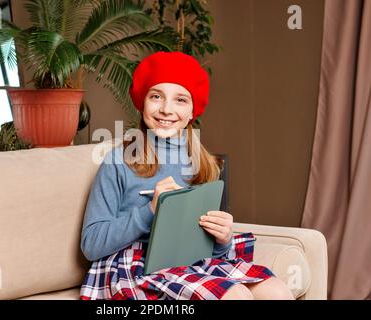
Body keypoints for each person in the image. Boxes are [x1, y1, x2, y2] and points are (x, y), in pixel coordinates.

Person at [80, 51, 294, 300]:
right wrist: (150, 209)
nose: (166, 109)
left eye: (180, 100)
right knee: (234, 295)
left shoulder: (205, 165)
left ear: (193, 111)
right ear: (142, 102)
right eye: (156, 96)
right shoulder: (118, 162)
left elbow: (207, 251)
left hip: (187, 263)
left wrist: (223, 239)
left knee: (276, 291)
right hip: (133, 265)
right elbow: (91, 245)